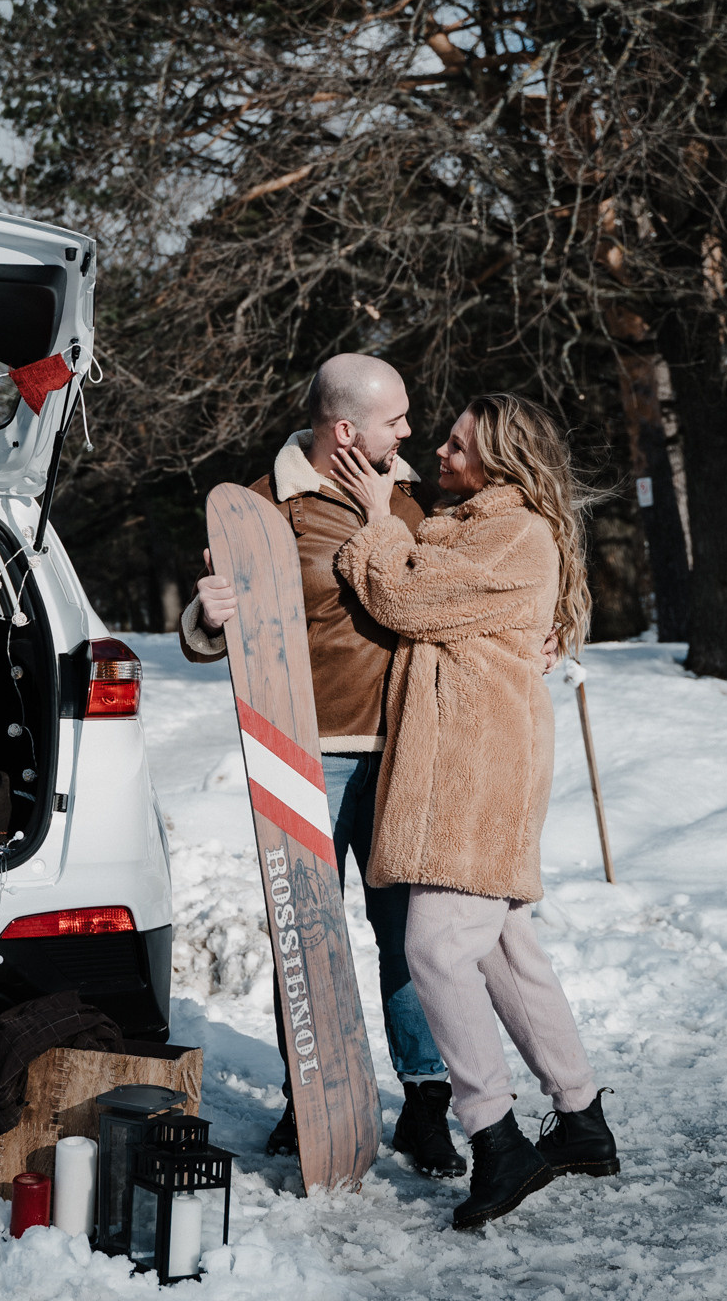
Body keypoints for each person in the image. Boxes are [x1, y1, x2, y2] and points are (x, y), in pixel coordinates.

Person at [330, 392, 619, 1231]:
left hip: (477, 770)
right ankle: (581, 1119)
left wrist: (380, 518)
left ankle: (495, 1137)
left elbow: (408, 602)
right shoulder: (475, 525)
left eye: (457, 446)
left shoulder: (516, 532)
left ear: (500, 458)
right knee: (503, 954)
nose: (442, 455)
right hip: (468, 762)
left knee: (434, 950)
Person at [181, 352, 465, 1179]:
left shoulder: (411, 497)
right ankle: (312, 1096)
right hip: (302, 756)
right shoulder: (261, 510)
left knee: (406, 936)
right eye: (396, 419)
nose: (410, 431)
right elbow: (214, 634)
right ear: (345, 429)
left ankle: (424, 1105)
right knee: (304, 935)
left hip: (407, 751)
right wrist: (208, 615)